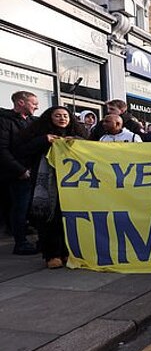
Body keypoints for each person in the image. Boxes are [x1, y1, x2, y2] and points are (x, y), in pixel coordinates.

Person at [14, 106, 86, 268]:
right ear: (49, 118)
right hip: (46, 184)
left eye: (65, 116)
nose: (62, 118)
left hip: (72, 184)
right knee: (49, 218)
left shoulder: (79, 136)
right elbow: (21, 152)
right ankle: (52, 254)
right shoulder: (37, 136)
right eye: (58, 116)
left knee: (68, 218)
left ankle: (68, 252)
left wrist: (76, 142)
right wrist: (42, 141)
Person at [0, 91, 40, 254]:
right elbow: (2, 150)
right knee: (20, 208)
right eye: (34, 103)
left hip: (32, 172)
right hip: (18, 174)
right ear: (21, 103)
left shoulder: (32, 122)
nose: (37, 107)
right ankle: (20, 243)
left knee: (31, 208)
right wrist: (20, 170)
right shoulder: (4, 122)